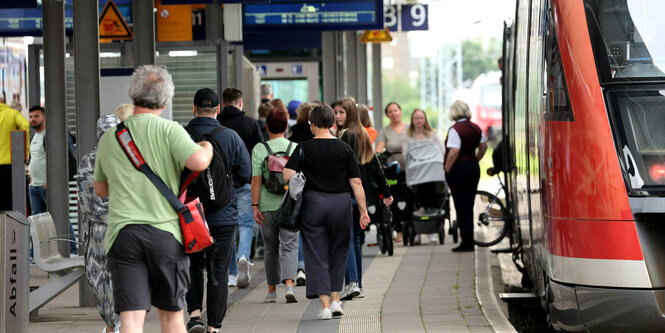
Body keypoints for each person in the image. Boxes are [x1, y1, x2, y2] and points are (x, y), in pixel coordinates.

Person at [94, 65, 213, 332]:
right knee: (171, 317)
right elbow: (198, 162)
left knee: (131, 320)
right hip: (164, 235)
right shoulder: (170, 130)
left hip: (122, 236)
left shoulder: (112, 137)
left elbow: (100, 189)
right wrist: (207, 146)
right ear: (166, 98)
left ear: (132, 94)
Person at [283, 105, 371, 320]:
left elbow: (287, 175)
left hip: (313, 204)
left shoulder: (303, 147)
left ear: (311, 124)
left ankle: (324, 307)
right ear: (332, 124)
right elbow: (356, 182)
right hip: (341, 204)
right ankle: (336, 300)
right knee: (339, 252)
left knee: (316, 254)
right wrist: (363, 211)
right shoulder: (344, 148)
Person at [185, 88, 252, 333]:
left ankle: (194, 315)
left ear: (193, 108)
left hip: (190, 215)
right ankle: (213, 326)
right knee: (219, 271)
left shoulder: (181, 135)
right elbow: (245, 175)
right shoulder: (231, 137)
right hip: (223, 215)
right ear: (219, 110)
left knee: (194, 266)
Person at [334, 98, 392, 300]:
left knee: (348, 240)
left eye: (341, 112)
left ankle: (352, 283)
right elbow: (374, 165)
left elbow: (343, 168)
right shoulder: (363, 134)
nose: (337, 116)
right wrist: (386, 190)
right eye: (336, 112)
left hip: (348, 193)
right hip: (362, 195)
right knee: (356, 240)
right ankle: (357, 282)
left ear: (349, 114)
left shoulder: (344, 135)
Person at [77, 114, 122, 333]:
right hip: (120, 227)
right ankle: (116, 321)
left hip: (97, 230)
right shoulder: (127, 160)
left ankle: (113, 322)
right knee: (117, 276)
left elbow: (86, 200)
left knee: (100, 279)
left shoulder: (87, 160)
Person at [251, 108, 299, 304]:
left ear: (267, 127)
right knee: (290, 246)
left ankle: (271, 291)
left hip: (266, 205)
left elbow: (256, 179)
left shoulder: (259, 149)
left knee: (271, 249)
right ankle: (289, 285)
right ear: (286, 127)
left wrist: (254, 205)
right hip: (289, 204)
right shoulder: (296, 148)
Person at [217, 87, 263, 288]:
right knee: (245, 224)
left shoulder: (217, 124)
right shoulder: (250, 123)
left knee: (228, 227)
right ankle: (243, 256)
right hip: (246, 180)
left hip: (221, 184)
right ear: (240, 102)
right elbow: (259, 151)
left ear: (223, 103)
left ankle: (232, 273)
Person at [28, 105, 79, 254]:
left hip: (48, 187)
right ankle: (36, 253)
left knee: (60, 217)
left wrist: (55, 181)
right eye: (31, 116)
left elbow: (68, 159)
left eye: (36, 116)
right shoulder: (35, 136)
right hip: (35, 187)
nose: (33, 119)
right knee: (37, 223)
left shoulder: (50, 136)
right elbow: (35, 159)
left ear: (44, 117)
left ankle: (72, 249)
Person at [444, 100, 488, 252]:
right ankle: (469, 239)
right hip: (473, 168)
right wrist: (476, 158)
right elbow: (484, 146)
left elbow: (454, 151)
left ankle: (467, 242)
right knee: (468, 205)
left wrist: (447, 169)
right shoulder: (476, 128)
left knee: (460, 205)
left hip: (459, 169)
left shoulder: (455, 129)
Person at [375, 102, 410, 242]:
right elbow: (379, 147)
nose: (394, 113)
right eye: (390, 111)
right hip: (393, 171)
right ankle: (398, 230)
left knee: (410, 197)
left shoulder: (409, 128)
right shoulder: (384, 131)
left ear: (400, 111)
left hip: (411, 169)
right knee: (393, 198)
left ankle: (413, 227)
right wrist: (381, 152)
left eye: (396, 110)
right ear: (387, 115)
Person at [0, 91, 28, 211]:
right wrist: (26, 152)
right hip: (9, 164)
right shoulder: (12, 113)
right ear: (3, 99)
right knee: (9, 204)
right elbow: (26, 125)